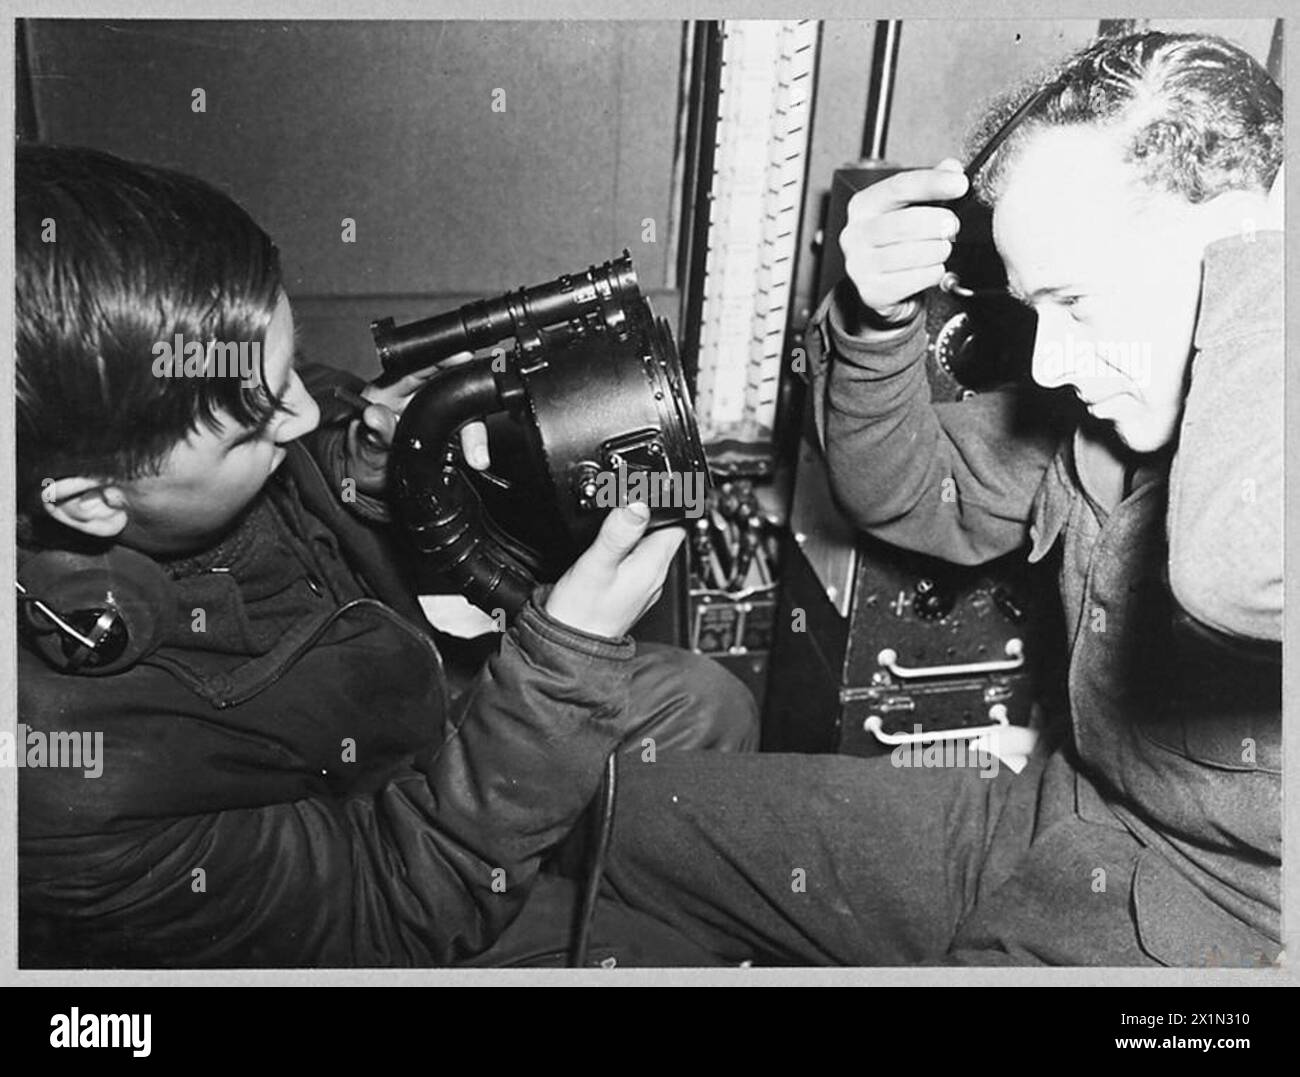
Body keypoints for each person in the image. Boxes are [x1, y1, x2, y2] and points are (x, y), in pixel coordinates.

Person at [590, 30, 1283, 966]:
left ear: (1236, 244)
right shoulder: (1114, 423)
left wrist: (1263, 248)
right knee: (630, 822)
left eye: (1077, 303)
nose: (1047, 360)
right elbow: (911, 493)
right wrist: (876, 323)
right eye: (1040, 313)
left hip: (1228, 941)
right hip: (1059, 823)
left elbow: (1237, 571)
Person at [15, 144, 757, 968]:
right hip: (390, 887)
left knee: (704, 705)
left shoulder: (201, 408)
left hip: (408, 716)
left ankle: (600, 882)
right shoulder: (64, 787)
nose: (298, 410)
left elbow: (311, 421)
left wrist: (364, 466)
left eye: (289, 366)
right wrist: (562, 670)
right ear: (90, 501)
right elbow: (387, 918)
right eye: (257, 422)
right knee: (670, 957)